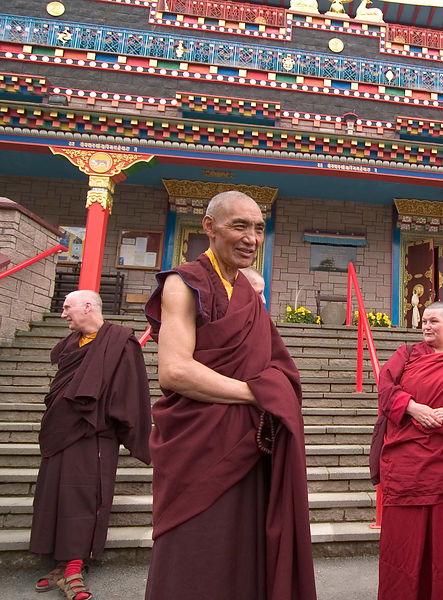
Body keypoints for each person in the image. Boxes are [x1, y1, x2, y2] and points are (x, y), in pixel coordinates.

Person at [144, 191, 316, 599]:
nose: (251, 239)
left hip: (248, 447)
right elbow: (175, 370)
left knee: (243, 552)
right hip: (200, 445)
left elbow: (275, 366)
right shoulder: (182, 283)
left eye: (258, 229)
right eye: (239, 226)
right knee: (196, 551)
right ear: (209, 227)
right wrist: (258, 394)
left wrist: (269, 389)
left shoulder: (247, 297)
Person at [30, 290, 151, 600]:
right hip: (61, 431)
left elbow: (130, 389)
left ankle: (73, 568)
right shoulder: (72, 344)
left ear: (87, 307)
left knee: (84, 498)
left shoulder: (119, 341)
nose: (62, 314)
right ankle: (61, 565)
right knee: (55, 496)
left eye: (67, 307)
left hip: (93, 434)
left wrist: (112, 421)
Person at [377, 301, 443, 600]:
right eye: (424, 322)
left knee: (442, 547)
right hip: (406, 464)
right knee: (400, 547)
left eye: (433, 321)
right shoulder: (406, 355)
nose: (427, 327)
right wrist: (413, 408)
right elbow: (385, 387)